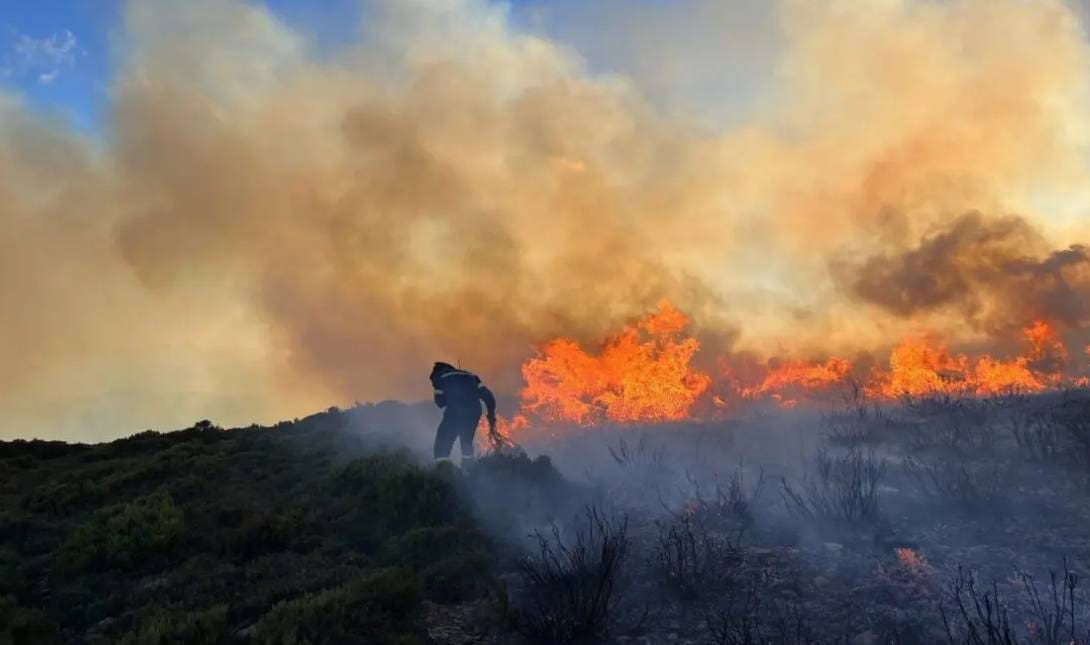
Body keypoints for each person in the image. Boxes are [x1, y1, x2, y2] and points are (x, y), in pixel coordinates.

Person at [429, 362, 497, 466]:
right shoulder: (471, 376)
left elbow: (440, 403)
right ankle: (468, 469)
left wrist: (450, 396)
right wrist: (491, 415)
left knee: (442, 444)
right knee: (466, 442)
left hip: (455, 412)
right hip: (473, 412)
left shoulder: (439, 377)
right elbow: (488, 397)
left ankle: (443, 472)